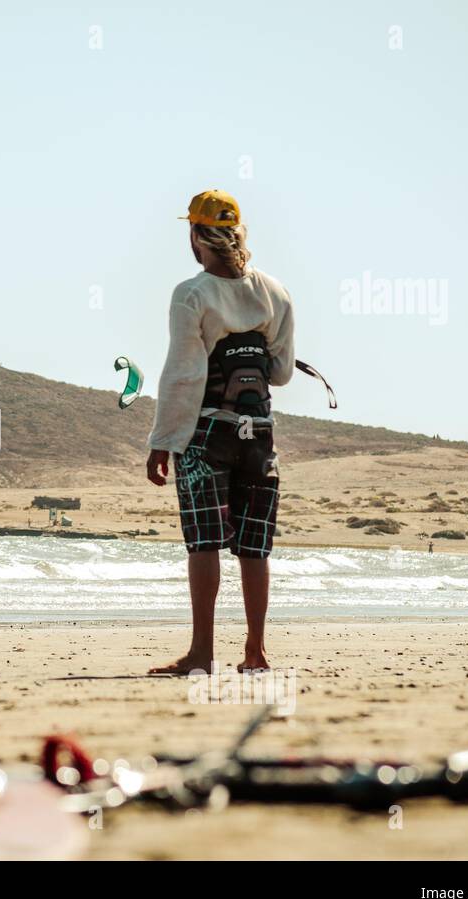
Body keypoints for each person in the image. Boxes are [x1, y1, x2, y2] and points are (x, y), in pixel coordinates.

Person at [145, 189, 294, 675]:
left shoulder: (192, 294)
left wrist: (162, 442)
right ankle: (255, 651)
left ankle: (202, 654)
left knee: (204, 542)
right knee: (254, 547)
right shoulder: (275, 292)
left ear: (196, 236)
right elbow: (282, 372)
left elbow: (184, 375)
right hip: (261, 435)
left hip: (209, 433)